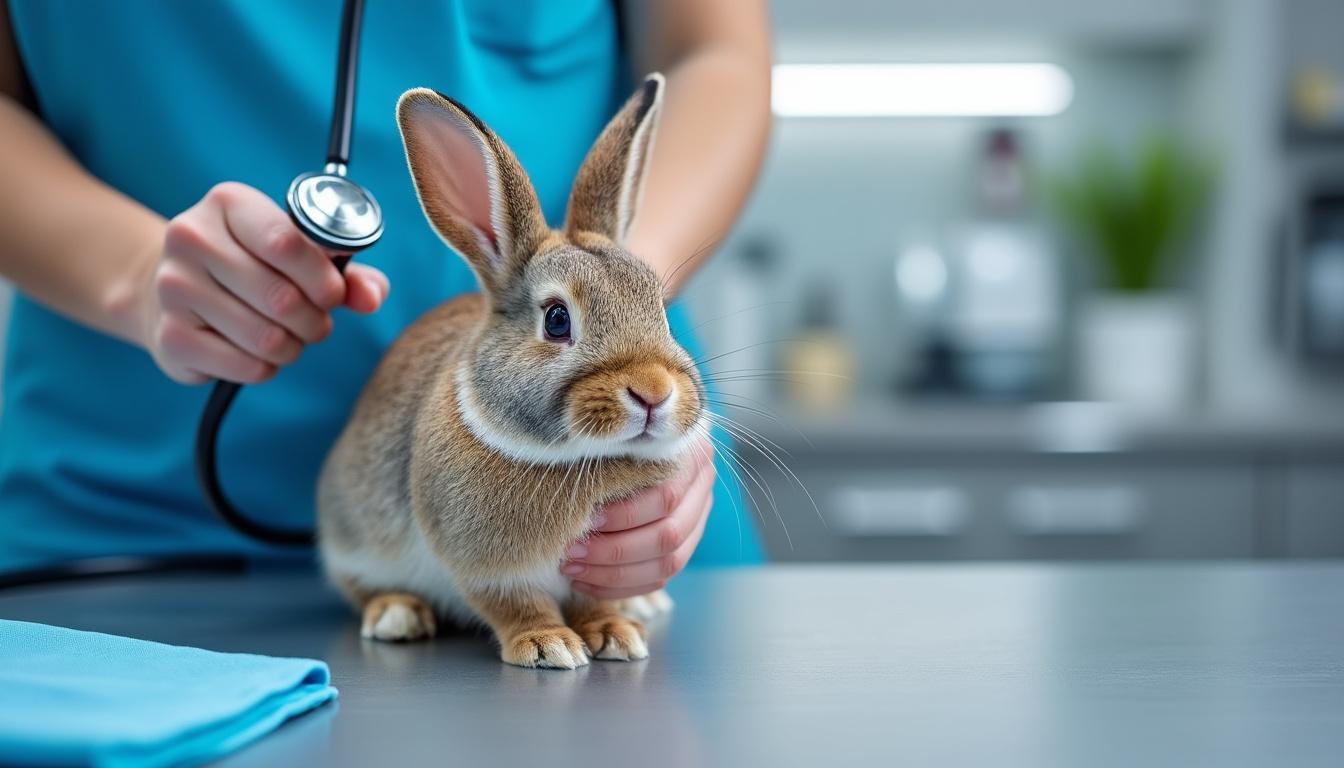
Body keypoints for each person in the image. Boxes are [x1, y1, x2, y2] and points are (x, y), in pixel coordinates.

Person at [0, 0, 771, 597]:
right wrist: (136, 274)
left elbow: (712, 50)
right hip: (128, 520)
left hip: (606, 485)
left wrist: (621, 280)